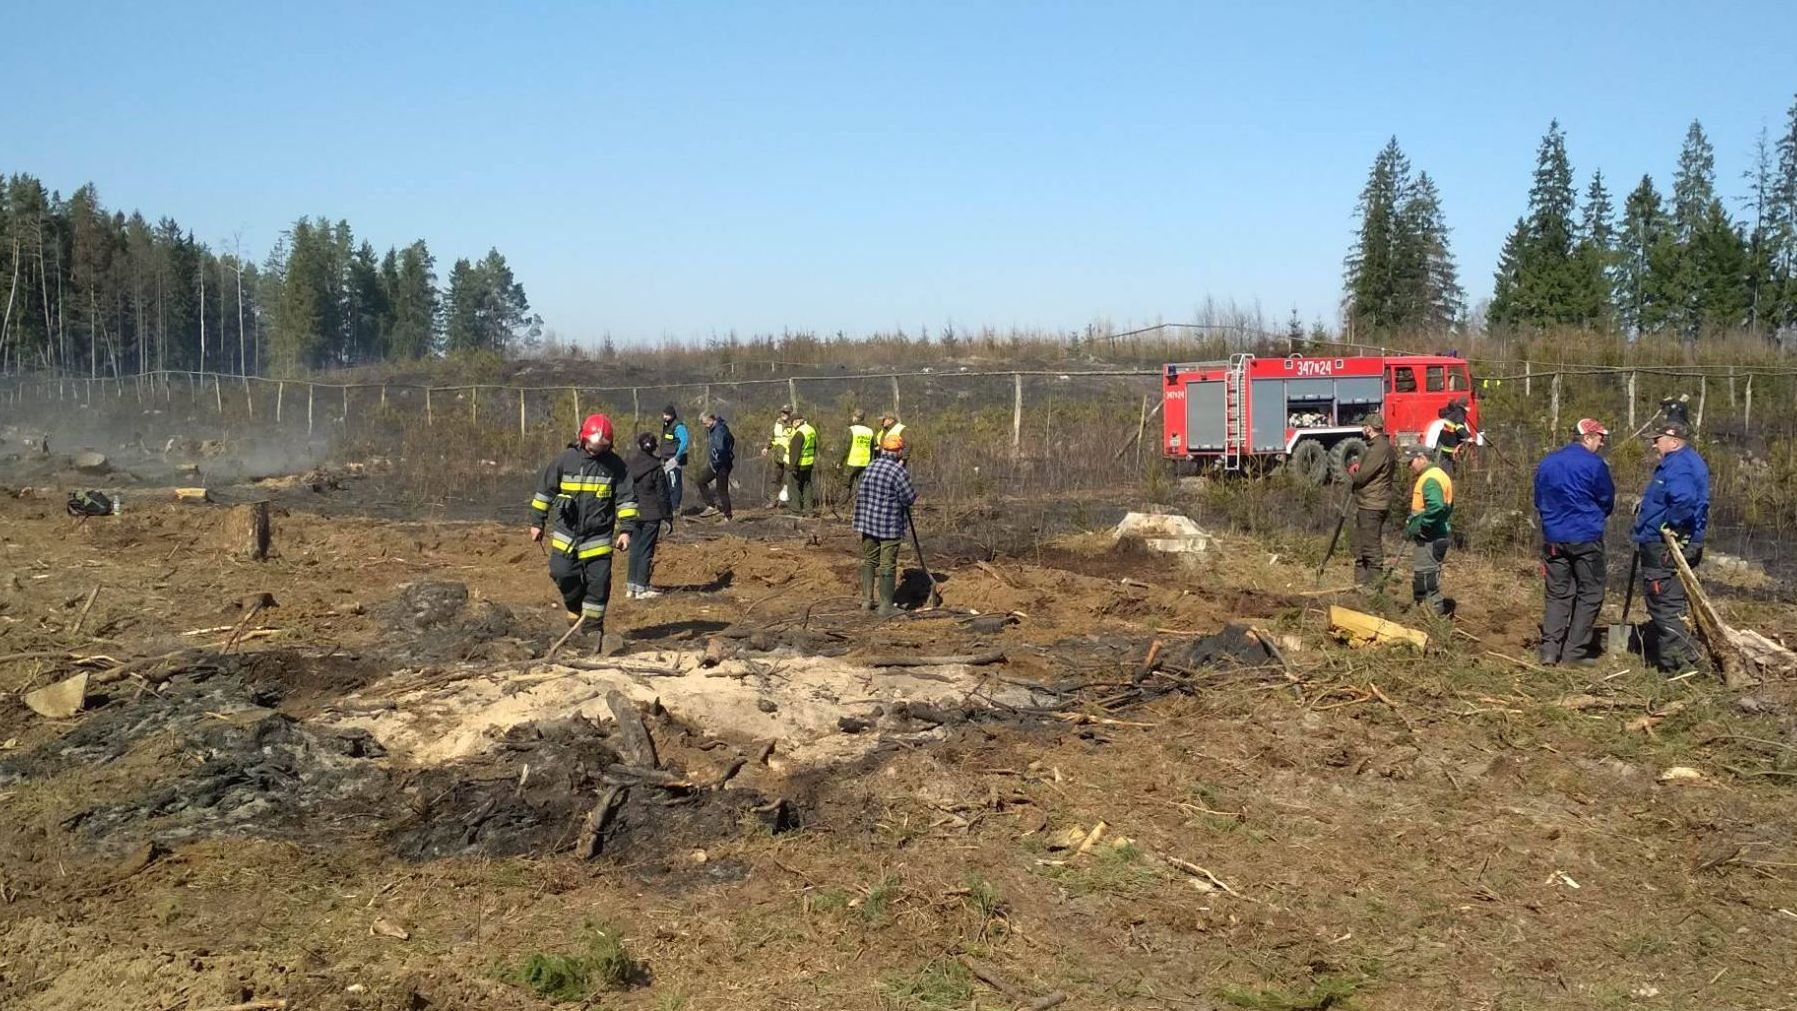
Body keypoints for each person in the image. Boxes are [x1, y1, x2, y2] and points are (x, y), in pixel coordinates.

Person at [529, 414, 637, 642]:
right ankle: (574, 606)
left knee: (598, 584)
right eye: (593, 445)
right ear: (583, 438)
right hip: (566, 534)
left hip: (598, 537)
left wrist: (626, 531)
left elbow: (626, 499)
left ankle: (592, 631)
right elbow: (544, 493)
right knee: (561, 572)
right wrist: (537, 522)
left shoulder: (616, 466)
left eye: (602, 447)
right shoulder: (565, 461)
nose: (596, 450)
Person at [1534, 418, 1616, 666]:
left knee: (1557, 594)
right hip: (1585, 537)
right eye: (1600, 438)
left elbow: (1539, 499)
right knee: (1590, 593)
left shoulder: (1547, 463)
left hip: (1554, 538)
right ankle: (1573, 653)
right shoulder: (1594, 464)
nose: (1602, 443)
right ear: (1587, 438)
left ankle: (1549, 651)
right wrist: (1593, 517)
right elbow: (1606, 499)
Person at [1630, 421, 1710, 674]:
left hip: (1664, 545)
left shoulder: (1679, 464)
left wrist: (1671, 525)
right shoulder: (1683, 461)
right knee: (1670, 600)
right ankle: (1684, 658)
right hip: (1666, 542)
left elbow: (1684, 499)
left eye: (1658, 439)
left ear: (1674, 441)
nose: (1654, 444)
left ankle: (1679, 665)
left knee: (1664, 601)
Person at [853, 432, 918, 615]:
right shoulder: (898, 472)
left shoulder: (871, 466)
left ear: (883, 449)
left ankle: (866, 601)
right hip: (888, 525)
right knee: (887, 564)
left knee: (869, 559)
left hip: (867, 523)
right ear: (898, 451)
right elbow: (909, 498)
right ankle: (886, 606)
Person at [1403, 444, 1455, 616]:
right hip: (1438, 533)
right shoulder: (1438, 475)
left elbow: (1436, 507)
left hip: (1430, 536)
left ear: (1422, 458)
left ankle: (1432, 617)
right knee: (1426, 575)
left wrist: (1420, 524)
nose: (1409, 466)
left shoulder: (1430, 479)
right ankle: (1423, 611)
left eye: (1411, 462)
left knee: (1426, 579)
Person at [1347, 413, 1395, 588]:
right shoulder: (1381, 447)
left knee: (1371, 550)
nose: (1362, 430)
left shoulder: (1378, 449)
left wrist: (1353, 471)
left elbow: (1362, 477)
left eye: (1363, 427)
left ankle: (1373, 589)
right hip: (1370, 502)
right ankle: (1360, 586)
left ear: (1369, 428)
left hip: (1372, 504)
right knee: (1361, 549)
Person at [625, 433, 673, 600]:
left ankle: (631, 587)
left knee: (635, 549)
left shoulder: (629, 465)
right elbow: (662, 495)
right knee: (646, 550)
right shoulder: (656, 468)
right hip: (651, 514)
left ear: (639, 446)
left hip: (633, 512)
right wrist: (668, 517)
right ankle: (642, 588)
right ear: (654, 447)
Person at [697, 411, 735, 521]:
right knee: (701, 481)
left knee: (722, 490)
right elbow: (732, 439)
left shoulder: (719, 430)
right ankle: (711, 506)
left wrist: (718, 461)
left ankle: (728, 516)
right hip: (715, 463)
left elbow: (721, 449)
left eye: (705, 423)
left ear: (710, 420)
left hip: (722, 464)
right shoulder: (714, 429)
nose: (704, 426)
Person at [1427, 397, 1475, 474]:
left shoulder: (1453, 410)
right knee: (1448, 467)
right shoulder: (1460, 413)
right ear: (1465, 406)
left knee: (1441, 463)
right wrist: (1468, 437)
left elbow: (1442, 413)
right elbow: (1459, 427)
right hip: (1450, 442)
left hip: (1443, 440)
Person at [660, 405, 691, 514]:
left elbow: (684, 442)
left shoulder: (678, 426)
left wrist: (676, 457)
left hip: (674, 460)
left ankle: (675, 508)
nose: (664, 417)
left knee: (674, 485)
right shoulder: (667, 425)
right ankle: (669, 508)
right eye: (664, 414)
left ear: (672, 415)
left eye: (667, 415)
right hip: (666, 460)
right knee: (667, 485)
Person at [762, 405, 794, 507]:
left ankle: (784, 501)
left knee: (788, 480)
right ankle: (773, 501)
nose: (783, 414)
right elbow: (771, 437)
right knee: (775, 479)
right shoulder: (777, 423)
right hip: (777, 455)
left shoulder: (794, 424)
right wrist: (766, 448)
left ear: (790, 413)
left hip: (789, 456)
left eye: (786, 412)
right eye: (782, 412)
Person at [787, 411, 819, 514]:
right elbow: (814, 447)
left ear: (796, 422)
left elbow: (795, 452)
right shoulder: (811, 430)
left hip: (799, 464)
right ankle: (809, 510)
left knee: (793, 487)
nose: (792, 425)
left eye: (792, 423)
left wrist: (792, 467)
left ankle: (795, 510)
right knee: (807, 486)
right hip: (809, 464)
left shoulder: (799, 433)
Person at [843, 409, 876, 496]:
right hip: (865, 462)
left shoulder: (851, 430)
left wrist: (840, 462)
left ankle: (844, 502)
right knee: (861, 486)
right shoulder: (869, 431)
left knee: (846, 485)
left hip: (852, 461)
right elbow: (872, 447)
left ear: (855, 417)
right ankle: (859, 501)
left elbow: (845, 448)